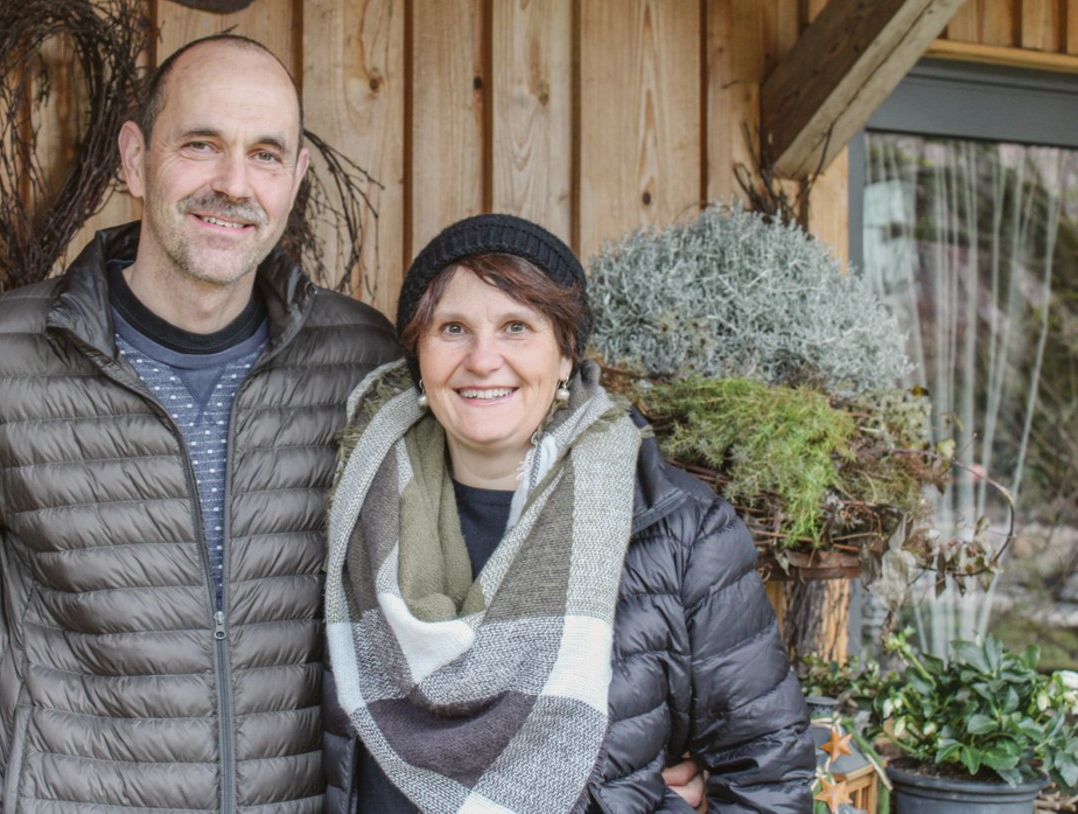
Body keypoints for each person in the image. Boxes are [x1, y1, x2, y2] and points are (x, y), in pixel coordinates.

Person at [0, 34, 400, 813]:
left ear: (295, 180)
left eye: (264, 154)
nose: (233, 182)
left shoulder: (360, 363)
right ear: (133, 159)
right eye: (201, 144)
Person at [322, 214, 816, 813]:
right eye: (453, 328)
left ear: (564, 356)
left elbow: (767, 771)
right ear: (419, 356)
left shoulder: (678, 530)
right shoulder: (352, 507)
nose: (483, 360)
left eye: (516, 327)